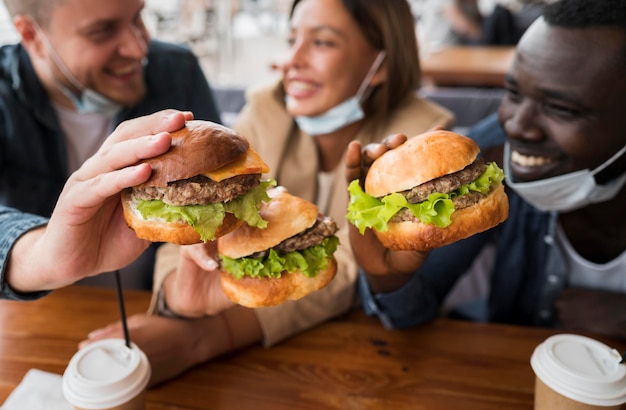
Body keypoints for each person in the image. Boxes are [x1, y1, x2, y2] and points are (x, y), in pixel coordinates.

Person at [83, 0, 455, 385]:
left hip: (368, 360)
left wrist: (203, 339)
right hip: (252, 368)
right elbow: (190, 230)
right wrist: (175, 305)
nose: (290, 60)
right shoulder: (264, 110)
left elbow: (346, 269)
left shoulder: (421, 147)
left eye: (322, 43)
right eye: (292, 38)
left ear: (383, 65)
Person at [347, 0, 626, 340]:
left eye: (561, 108)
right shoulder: (487, 156)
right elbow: (412, 318)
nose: (516, 125)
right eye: (513, 92)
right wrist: (387, 277)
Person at [0, 0, 221, 289]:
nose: (139, 49)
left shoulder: (180, 72)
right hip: (38, 319)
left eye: (138, 17)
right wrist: (43, 257)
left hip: (152, 304)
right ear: (31, 34)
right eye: (102, 31)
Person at [0, 110, 192, 299]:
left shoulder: (179, 81)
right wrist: (39, 258)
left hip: (150, 306)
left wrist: (173, 309)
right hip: (31, 316)